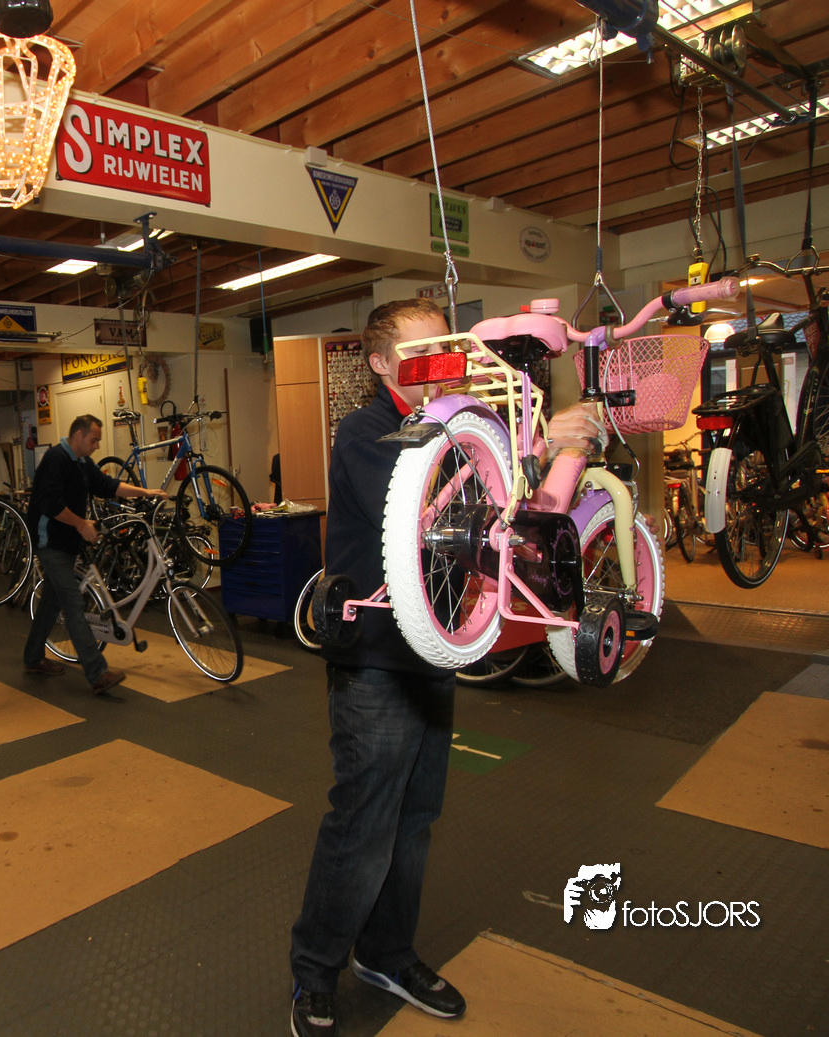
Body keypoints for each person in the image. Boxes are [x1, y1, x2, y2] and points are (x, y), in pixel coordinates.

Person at [289, 299, 604, 1034]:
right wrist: (531, 445)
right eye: (424, 352)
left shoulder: (463, 426)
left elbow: (501, 522)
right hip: (375, 657)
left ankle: (386, 953)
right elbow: (438, 511)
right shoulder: (367, 431)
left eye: (450, 348)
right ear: (380, 364)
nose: (445, 364)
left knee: (415, 818)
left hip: (433, 647)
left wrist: (534, 449)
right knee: (364, 822)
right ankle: (315, 972)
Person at [22, 414, 169, 693]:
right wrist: (81, 524)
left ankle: (32, 658)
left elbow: (107, 485)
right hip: (50, 542)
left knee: (51, 602)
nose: (97, 446)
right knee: (73, 603)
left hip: (66, 544)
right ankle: (97, 673)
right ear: (78, 436)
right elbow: (50, 504)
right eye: (94, 440)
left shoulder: (81, 462)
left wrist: (146, 492)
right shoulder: (56, 459)